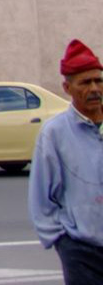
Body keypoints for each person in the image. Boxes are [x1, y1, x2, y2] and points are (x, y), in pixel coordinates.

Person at [29, 38, 103, 284]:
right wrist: (62, 241)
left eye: (98, 80)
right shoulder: (55, 133)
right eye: (85, 82)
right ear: (67, 88)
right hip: (81, 250)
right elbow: (41, 196)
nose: (94, 88)